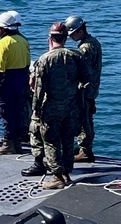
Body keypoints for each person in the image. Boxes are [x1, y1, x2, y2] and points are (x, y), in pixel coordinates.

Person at [23, 22, 89, 188]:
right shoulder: (76, 56)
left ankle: (57, 176)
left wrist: (36, 109)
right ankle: (66, 173)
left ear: (50, 38)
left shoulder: (45, 59)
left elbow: (39, 89)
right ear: (66, 38)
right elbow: (86, 79)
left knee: (51, 141)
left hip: (52, 106)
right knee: (67, 140)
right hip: (72, 106)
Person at [0, 10, 31, 155]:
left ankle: (8, 143)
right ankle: (17, 142)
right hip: (20, 79)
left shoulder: (3, 44)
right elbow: (27, 64)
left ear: (3, 29)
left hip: (6, 81)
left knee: (6, 112)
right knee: (17, 110)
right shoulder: (23, 41)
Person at [65, 15, 102, 162]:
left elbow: (81, 69)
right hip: (92, 87)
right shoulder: (94, 42)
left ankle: (85, 150)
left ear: (80, 31)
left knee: (84, 118)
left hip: (85, 88)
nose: (71, 37)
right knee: (87, 117)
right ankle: (85, 148)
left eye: (72, 34)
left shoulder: (85, 48)